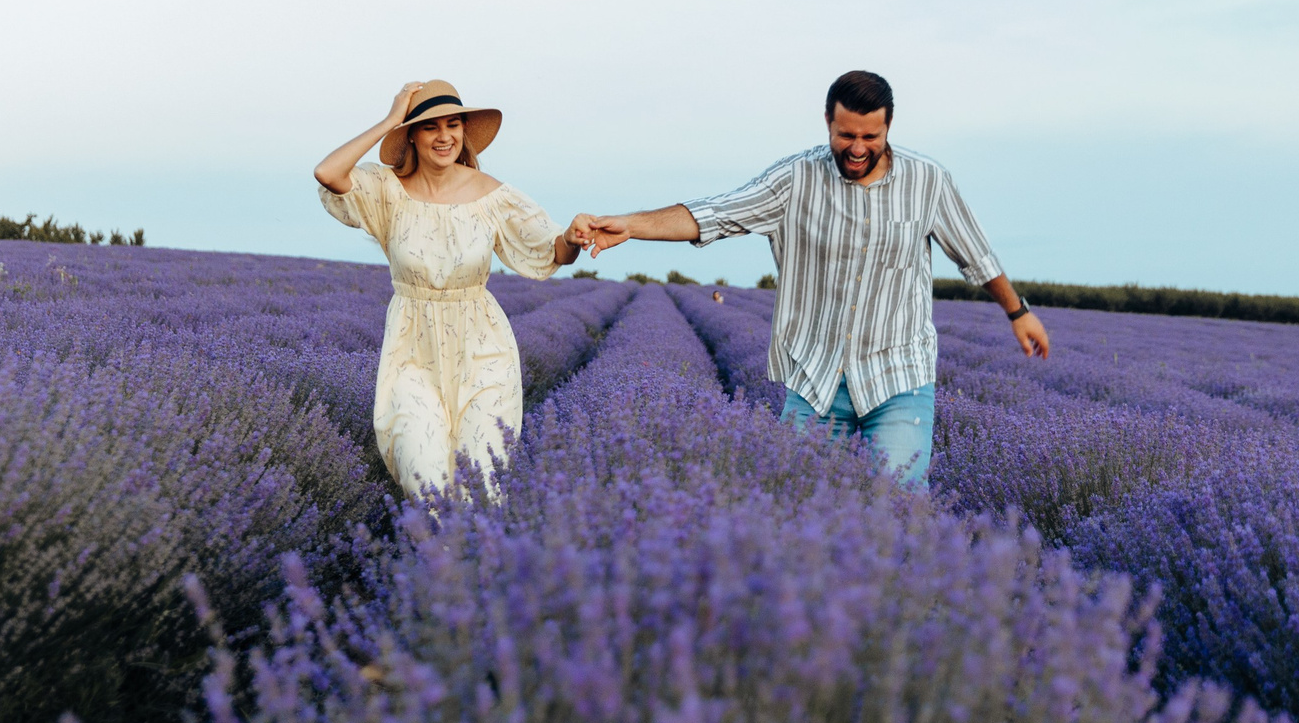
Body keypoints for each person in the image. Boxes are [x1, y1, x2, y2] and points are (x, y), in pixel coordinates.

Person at [569, 69, 1047, 488]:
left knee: (897, 513)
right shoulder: (794, 180)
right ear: (828, 124)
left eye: (870, 136)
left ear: (887, 127)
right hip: (816, 377)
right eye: (846, 136)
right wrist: (630, 225)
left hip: (898, 374)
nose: (858, 148)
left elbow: (975, 254)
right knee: (801, 509)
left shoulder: (928, 182)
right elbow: (714, 214)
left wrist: (1017, 312)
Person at [315, 79, 578, 497]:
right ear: (412, 136)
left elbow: (552, 251)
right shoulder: (386, 191)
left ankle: (476, 562)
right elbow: (328, 173)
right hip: (411, 351)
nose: (445, 136)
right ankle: (438, 559)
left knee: (481, 485)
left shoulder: (493, 195)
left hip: (483, 349)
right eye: (430, 126)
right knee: (426, 482)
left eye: (453, 125)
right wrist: (389, 120)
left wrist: (573, 238)